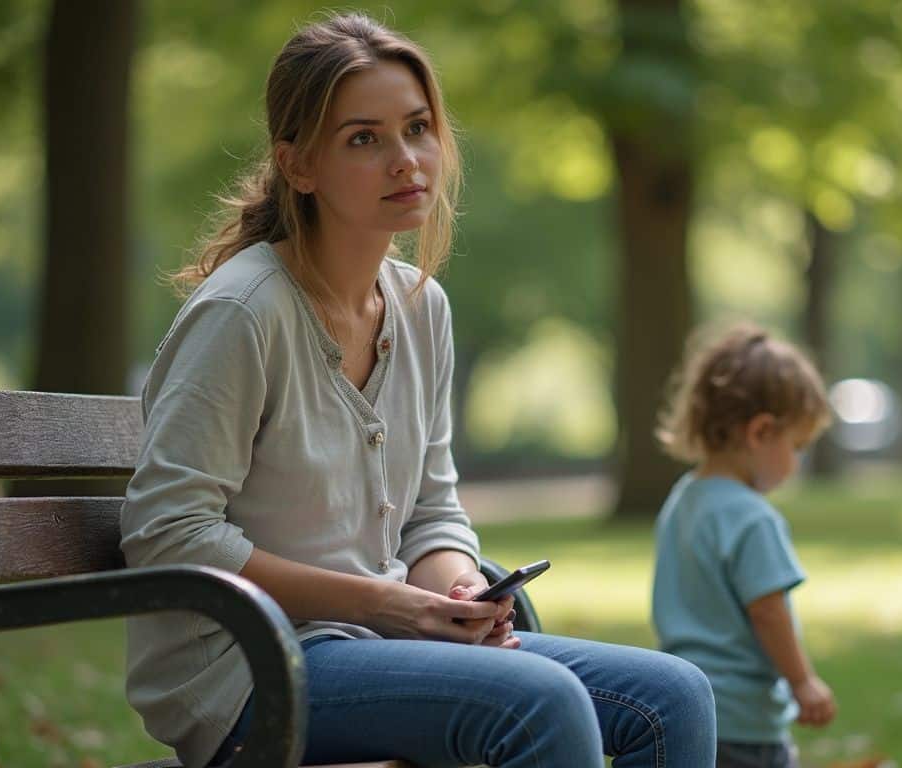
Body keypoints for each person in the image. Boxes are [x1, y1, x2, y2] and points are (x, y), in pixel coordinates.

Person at [118, 12, 715, 768]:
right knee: (542, 702)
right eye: (364, 138)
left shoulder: (420, 306)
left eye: (418, 128)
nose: (407, 161)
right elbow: (170, 532)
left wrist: (457, 590)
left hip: (380, 643)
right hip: (245, 671)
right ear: (298, 165)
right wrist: (384, 602)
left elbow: (430, 509)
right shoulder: (244, 315)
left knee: (675, 698)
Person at [651, 324, 837, 768]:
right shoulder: (752, 517)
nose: (797, 462)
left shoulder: (684, 496)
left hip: (685, 704)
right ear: (760, 432)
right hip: (744, 720)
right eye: (796, 446)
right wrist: (803, 681)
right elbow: (768, 610)